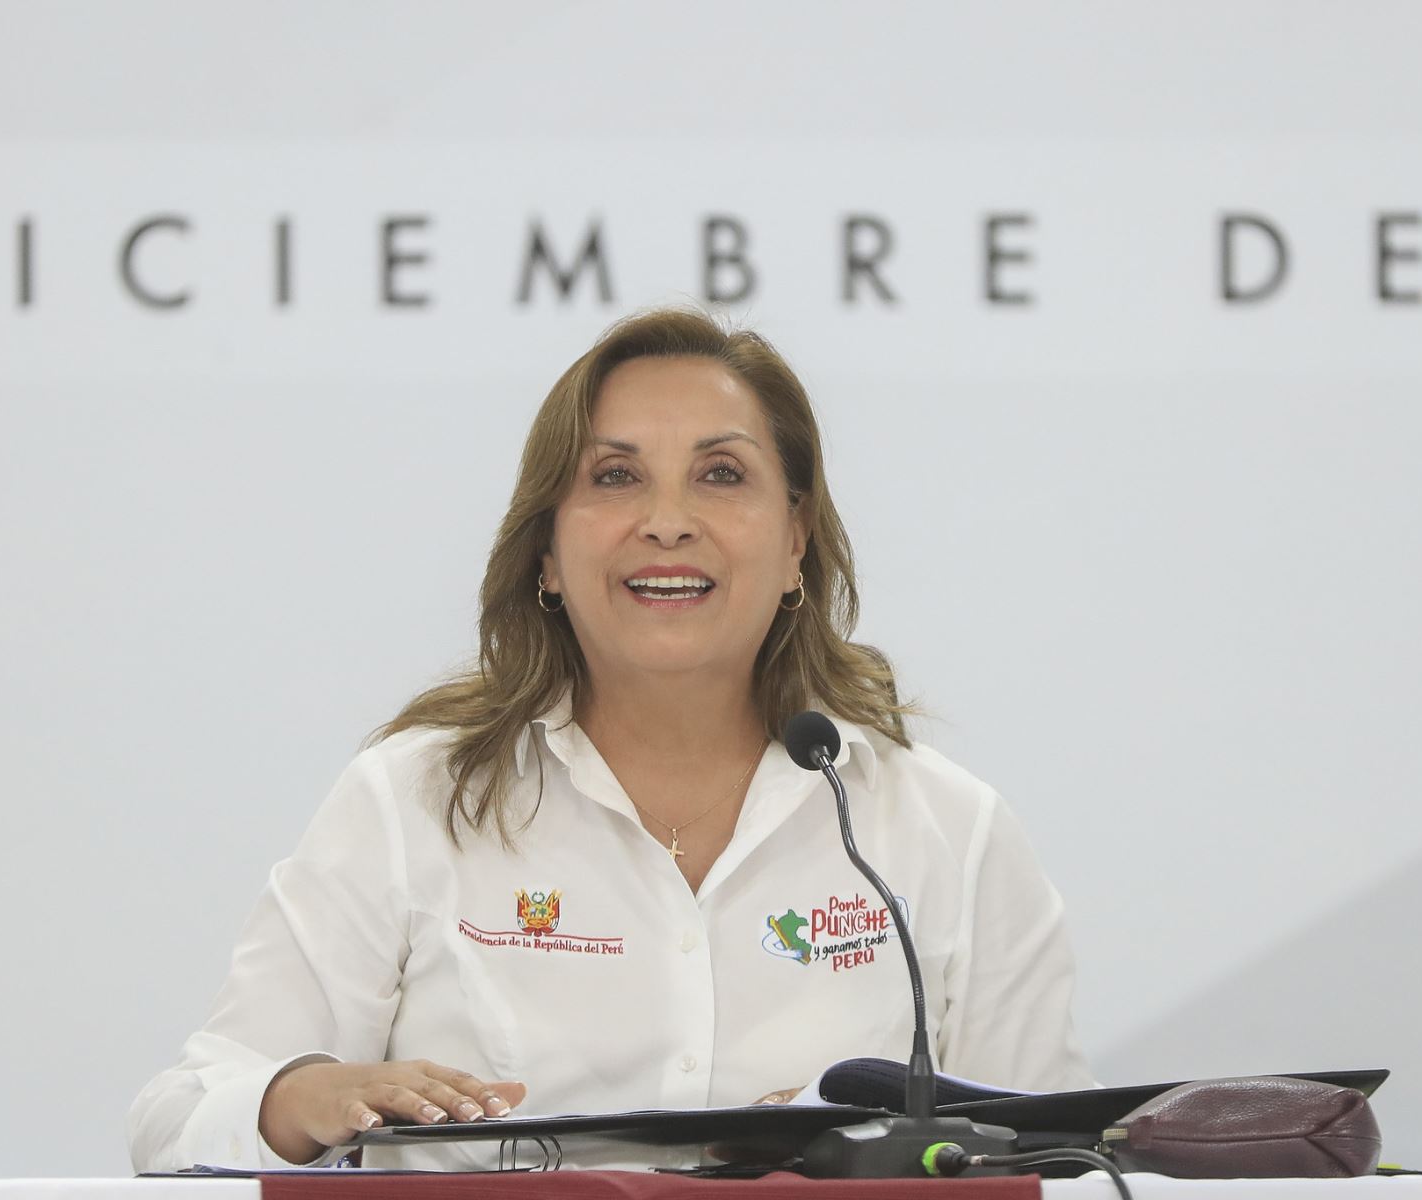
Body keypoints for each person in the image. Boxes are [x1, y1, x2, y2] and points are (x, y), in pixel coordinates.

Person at [127, 307, 1094, 1173]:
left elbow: (1058, 1165)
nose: (667, 522)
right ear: (546, 551)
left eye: (722, 475)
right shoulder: (412, 801)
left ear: (796, 536)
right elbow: (178, 1120)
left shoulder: (946, 832)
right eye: (615, 476)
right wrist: (300, 1099)